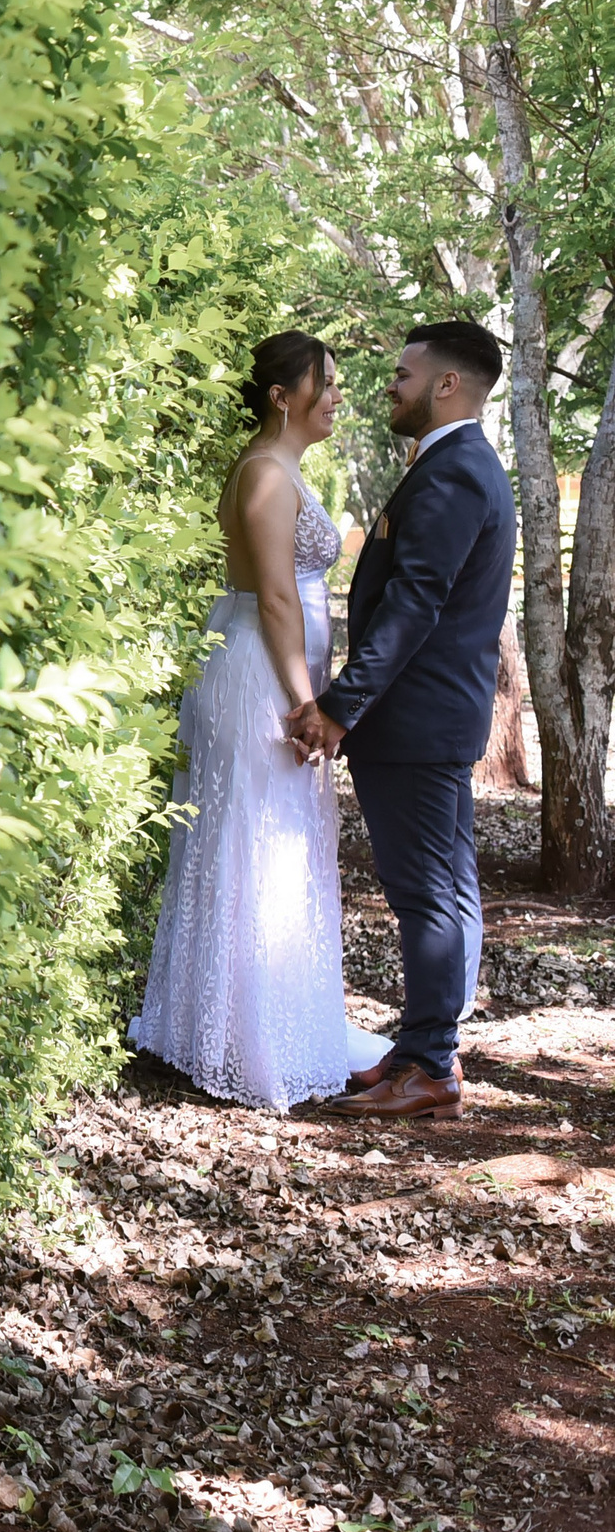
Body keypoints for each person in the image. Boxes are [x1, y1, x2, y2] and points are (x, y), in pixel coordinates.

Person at [132, 332, 392, 1109]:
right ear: (282, 397)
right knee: (254, 839)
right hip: (262, 674)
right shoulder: (268, 474)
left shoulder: (278, 467)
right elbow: (278, 597)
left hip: (269, 664)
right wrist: (307, 702)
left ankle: (254, 1020)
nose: (337, 396)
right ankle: (244, 1039)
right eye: (325, 384)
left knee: (268, 837)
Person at [286, 321, 517, 1121]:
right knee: (445, 887)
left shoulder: (453, 473)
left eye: (404, 373)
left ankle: (429, 1063)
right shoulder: (460, 464)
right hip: (435, 717)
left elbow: (414, 604)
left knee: (427, 894)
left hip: (416, 720)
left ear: (447, 385)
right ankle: (425, 1048)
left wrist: (340, 705)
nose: (390, 383)